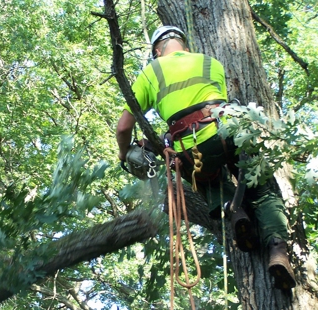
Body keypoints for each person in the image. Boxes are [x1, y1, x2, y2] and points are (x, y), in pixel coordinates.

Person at [116, 25, 296, 290]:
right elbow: (208, 104)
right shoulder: (210, 63)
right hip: (231, 129)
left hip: (192, 144)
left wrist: (123, 154)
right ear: (184, 46)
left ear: (157, 51)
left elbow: (123, 127)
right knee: (262, 192)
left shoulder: (150, 72)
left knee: (206, 177)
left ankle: (233, 212)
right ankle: (278, 251)